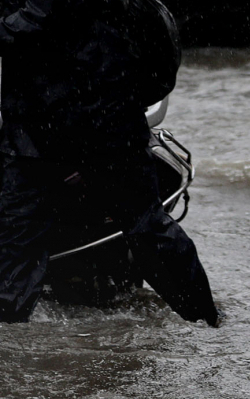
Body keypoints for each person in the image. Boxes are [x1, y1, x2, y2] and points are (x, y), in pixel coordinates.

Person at [0, 0, 219, 326]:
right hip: (100, 127)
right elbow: (162, 57)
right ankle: (208, 322)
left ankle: (206, 320)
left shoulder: (39, 12)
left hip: (48, 133)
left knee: (20, 248)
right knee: (150, 228)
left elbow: (22, 26)